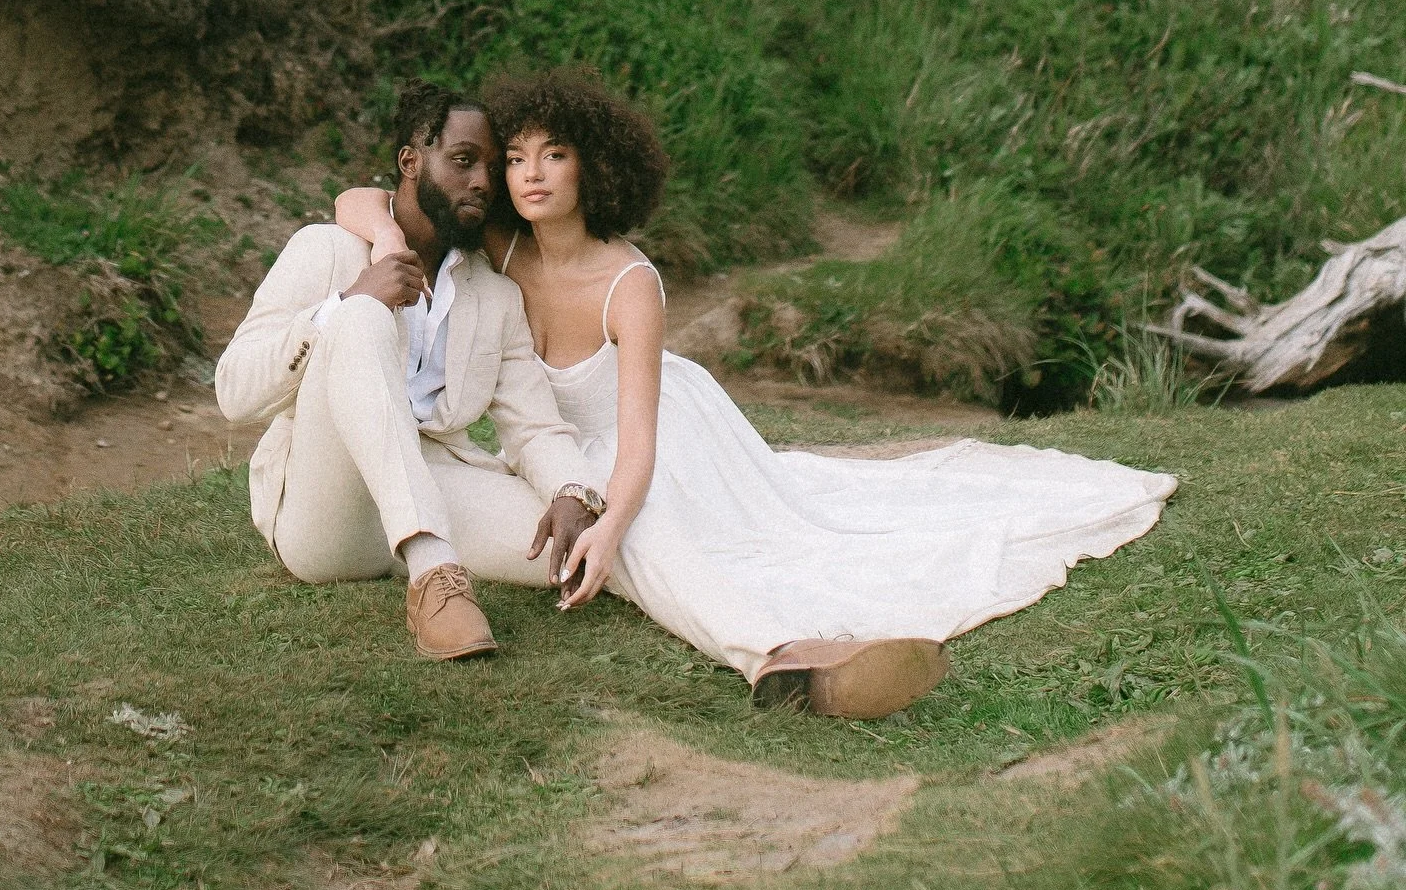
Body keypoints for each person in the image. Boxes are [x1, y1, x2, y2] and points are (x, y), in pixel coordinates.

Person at [335, 70, 1177, 719]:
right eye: (516, 158)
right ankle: (777, 654)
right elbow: (362, 198)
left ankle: (792, 653)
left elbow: (638, 444)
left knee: (669, 532)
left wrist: (613, 519)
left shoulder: (629, 283)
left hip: (665, 430)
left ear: (595, 166)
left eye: (553, 155)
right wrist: (379, 237)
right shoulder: (500, 244)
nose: (529, 175)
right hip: (561, 444)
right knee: (601, 524)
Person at [216, 82, 608, 664]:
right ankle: (433, 572)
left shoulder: (495, 295)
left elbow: (533, 427)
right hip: (330, 516)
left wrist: (573, 492)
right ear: (410, 161)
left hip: (437, 483)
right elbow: (234, 391)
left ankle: (756, 632)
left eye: (492, 167)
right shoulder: (324, 250)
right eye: (462, 160)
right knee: (359, 319)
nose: (481, 180)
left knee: (587, 545)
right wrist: (341, 304)